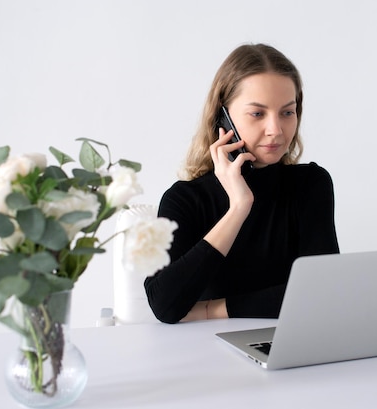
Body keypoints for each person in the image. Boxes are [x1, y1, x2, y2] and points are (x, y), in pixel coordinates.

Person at [144, 43, 339, 324]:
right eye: (258, 114)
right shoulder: (184, 199)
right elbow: (165, 306)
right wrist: (238, 208)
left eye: (287, 112)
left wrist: (212, 310)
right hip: (204, 353)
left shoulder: (310, 185)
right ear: (223, 118)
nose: (276, 130)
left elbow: (322, 292)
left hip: (288, 346)